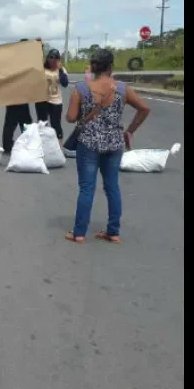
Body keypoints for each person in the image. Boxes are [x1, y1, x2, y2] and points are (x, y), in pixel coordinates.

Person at [64, 49, 150, 244]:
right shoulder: (122, 88)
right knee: (112, 187)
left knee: (87, 188)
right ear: (111, 67)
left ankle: (78, 234)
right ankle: (113, 231)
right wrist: (130, 131)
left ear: (93, 67)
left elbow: (70, 117)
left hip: (89, 143)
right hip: (114, 143)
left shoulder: (81, 89)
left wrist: (82, 115)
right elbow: (144, 108)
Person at [1, 38, 36, 153]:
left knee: (10, 122)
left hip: (12, 95)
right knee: (25, 121)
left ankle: (7, 145)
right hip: (20, 96)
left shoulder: (12, 60)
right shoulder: (24, 61)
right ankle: (29, 143)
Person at [34, 48, 68, 143]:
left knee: (56, 124)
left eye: (55, 59)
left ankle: (58, 147)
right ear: (47, 59)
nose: (52, 61)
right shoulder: (42, 69)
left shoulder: (61, 70)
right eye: (51, 58)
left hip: (56, 101)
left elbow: (65, 83)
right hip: (42, 100)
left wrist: (60, 69)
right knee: (42, 123)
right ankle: (43, 144)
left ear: (58, 60)